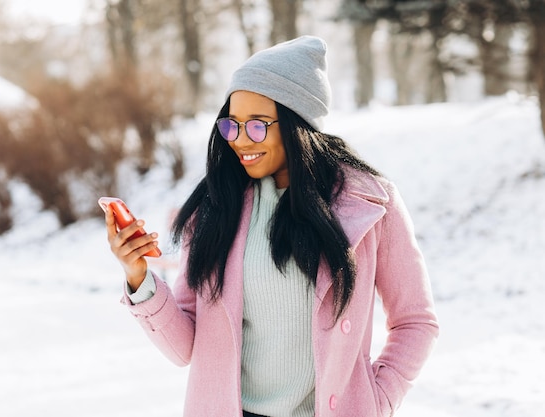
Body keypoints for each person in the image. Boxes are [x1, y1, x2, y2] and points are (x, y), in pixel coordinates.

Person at [105, 35, 439, 417]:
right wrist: (138, 276)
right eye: (232, 126)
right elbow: (185, 347)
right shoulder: (218, 208)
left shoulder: (371, 206)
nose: (240, 141)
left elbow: (416, 322)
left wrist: (376, 400)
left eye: (258, 126)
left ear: (298, 123)